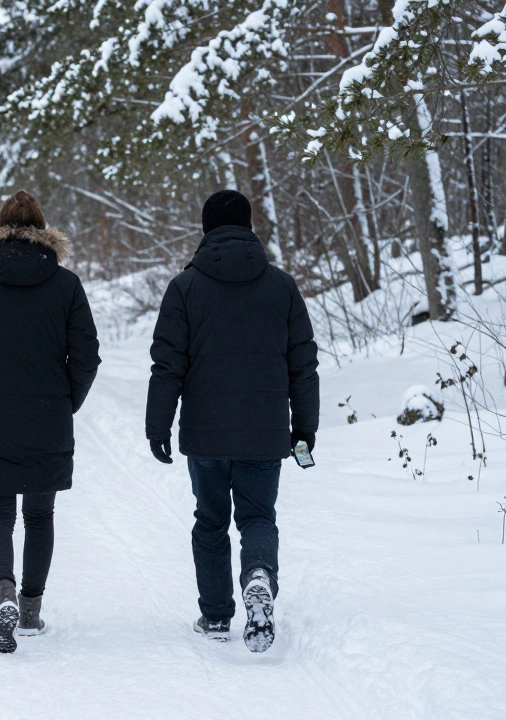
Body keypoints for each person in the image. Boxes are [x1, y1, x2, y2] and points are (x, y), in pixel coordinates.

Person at [146, 189, 319, 653]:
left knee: (211, 521)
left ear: (206, 229)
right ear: (249, 225)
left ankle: (217, 614)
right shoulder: (282, 286)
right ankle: (258, 575)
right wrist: (305, 427)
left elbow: (167, 365)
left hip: (206, 432)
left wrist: (158, 425)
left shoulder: (185, 288)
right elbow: (303, 364)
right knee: (258, 517)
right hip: (264, 432)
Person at [0, 191, 100, 654]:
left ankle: (2, 591)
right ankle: (29, 609)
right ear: (43, 229)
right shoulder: (66, 285)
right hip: (48, 413)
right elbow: (86, 354)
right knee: (39, 513)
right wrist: (66, 401)